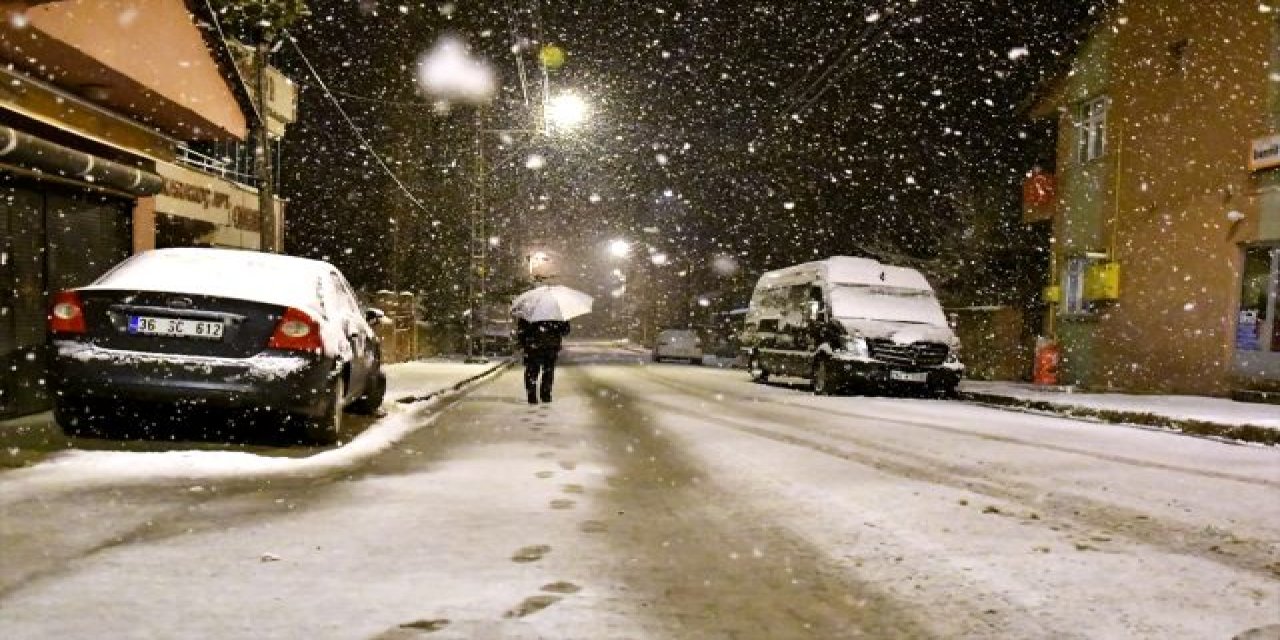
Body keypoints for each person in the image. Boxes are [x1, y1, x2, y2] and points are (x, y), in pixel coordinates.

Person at [516, 317, 570, 404]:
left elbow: (522, 330)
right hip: (550, 347)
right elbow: (565, 331)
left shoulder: (530, 311)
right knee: (548, 372)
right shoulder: (557, 313)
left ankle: (532, 396)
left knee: (532, 372)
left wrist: (523, 343)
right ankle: (545, 395)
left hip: (533, 346)